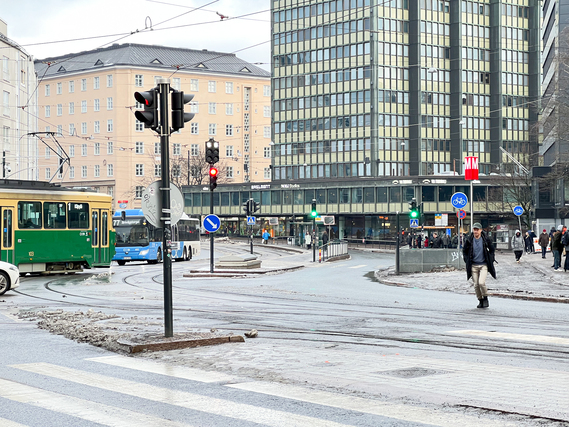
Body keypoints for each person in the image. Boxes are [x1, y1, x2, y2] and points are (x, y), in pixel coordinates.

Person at [463, 222, 496, 308]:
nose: (475, 231)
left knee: (481, 283)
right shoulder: (469, 240)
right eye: (474, 229)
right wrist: (467, 260)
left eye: (477, 230)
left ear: (481, 230)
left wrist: (491, 259)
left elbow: (492, 250)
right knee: (476, 285)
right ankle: (480, 300)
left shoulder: (486, 239)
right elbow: (464, 251)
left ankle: (485, 298)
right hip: (473, 265)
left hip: (483, 265)